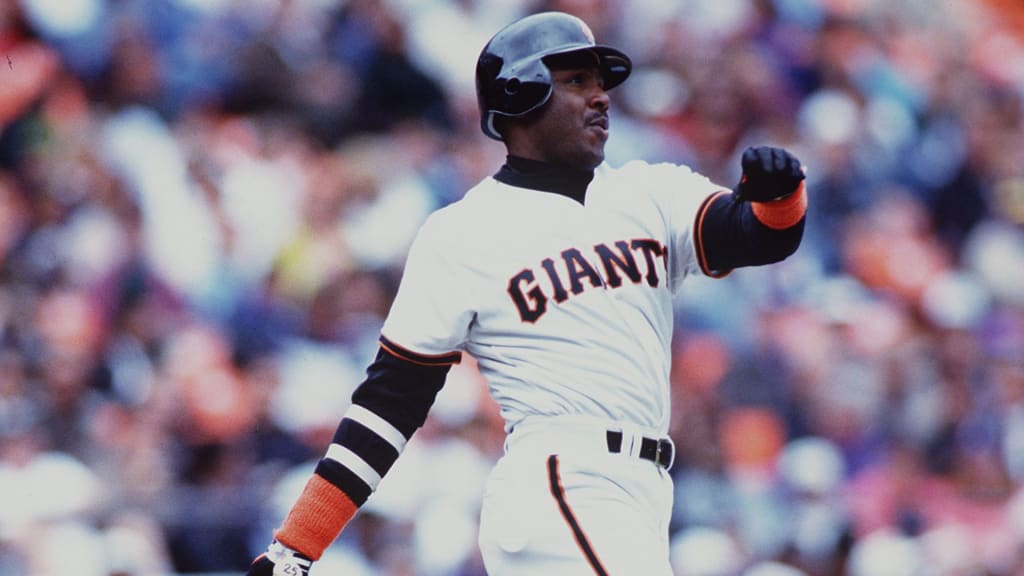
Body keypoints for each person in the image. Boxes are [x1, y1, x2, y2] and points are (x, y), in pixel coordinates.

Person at [247, 10, 807, 576]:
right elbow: (389, 404)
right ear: (520, 93)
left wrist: (780, 196)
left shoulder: (652, 192)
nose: (601, 97)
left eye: (600, 82)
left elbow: (758, 236)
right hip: (562, 480)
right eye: (577, 80)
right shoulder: (462, 232)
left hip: (642, 493)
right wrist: (296, 548)